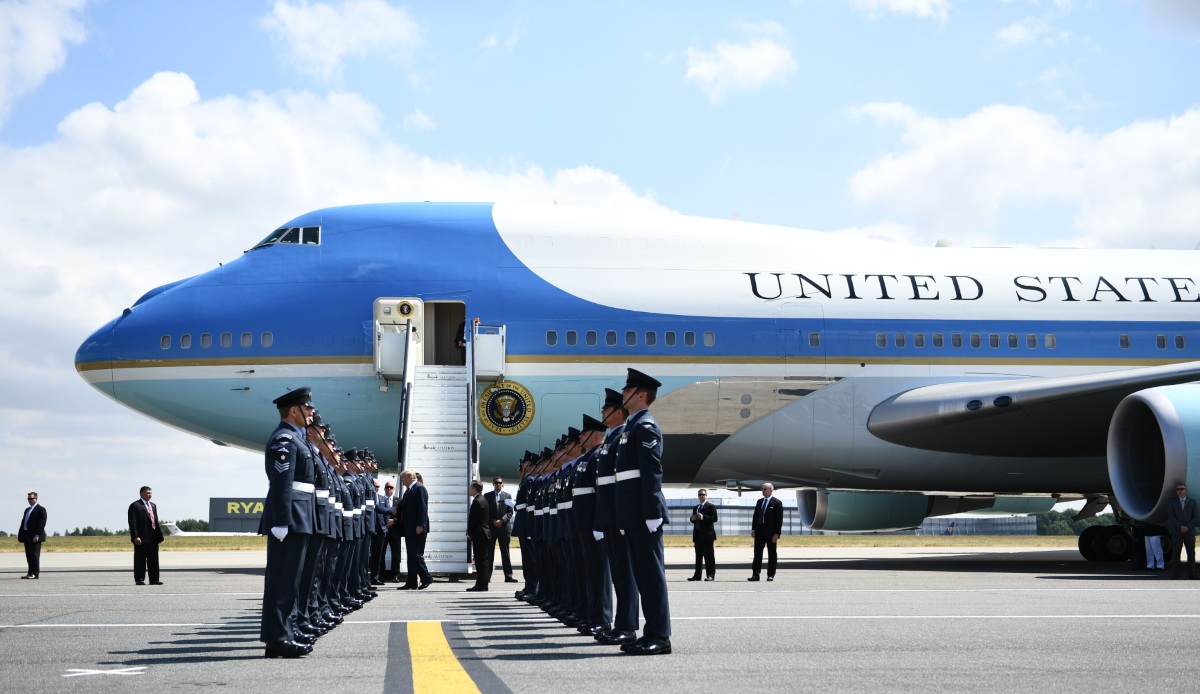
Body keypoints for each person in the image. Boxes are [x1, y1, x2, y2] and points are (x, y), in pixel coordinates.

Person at [613, 368, 672, 656]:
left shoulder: (645, 426)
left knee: (651, 576)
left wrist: (651, 511)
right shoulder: (631, 427)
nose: (623, 393)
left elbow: (652, 472)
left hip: (643, 513)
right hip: (633, 514)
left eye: (628, 390)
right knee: (642, 575)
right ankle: (650, 632)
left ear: (641, 395)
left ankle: (660, 636)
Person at [259, 386, 318, 659]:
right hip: (289, 519)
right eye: (307, 408)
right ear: (293, 410)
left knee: (291, 583)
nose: (311, 412)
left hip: (300, 517)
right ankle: (277, 638)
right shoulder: (284, 438)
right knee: (282, 583)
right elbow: (282, 482)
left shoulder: (297, 438)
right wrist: (281, 521)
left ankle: (285, 634)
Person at [396, 470, 432, 589]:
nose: (402, 481)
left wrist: (420, 525)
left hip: (417, 528)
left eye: (403, 479)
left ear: (410, 477)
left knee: (416, 555)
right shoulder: (410, 490)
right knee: (411, 555)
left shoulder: (419, 488)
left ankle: (426, 577)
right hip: (410, 529)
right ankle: (411, 581)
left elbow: (422, 507)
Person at [128, 486, 165, 585]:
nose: (150, 495)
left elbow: (155, 521)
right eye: (148, 493)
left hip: (153, 537)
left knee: (154, 559)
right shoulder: (135, 506)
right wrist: (135, 536)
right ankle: (139, 579)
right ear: (141, 493)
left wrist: (159, 536)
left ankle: (154, 579)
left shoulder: (153, 505)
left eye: (151, 493)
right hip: (141, 538)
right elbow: (132, 523)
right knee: (140, 559)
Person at [749, 482, 784, 582]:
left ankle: (770, 575)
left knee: (772, 554)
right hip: (759, 532)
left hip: (771, 533)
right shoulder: (759, 502)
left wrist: (777, 533)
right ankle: (755, 574)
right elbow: (755, 517)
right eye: (762, 489)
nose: (762, 491)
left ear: (770, 490)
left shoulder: (777, 503)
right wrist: (753, 529)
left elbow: (779, 520)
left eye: (764, 489)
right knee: (757, 554)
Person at [485, 477, 516, 582]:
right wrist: (493, 521)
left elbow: (510, 512)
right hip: (492, 528)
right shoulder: (487, 496)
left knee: (505, 552)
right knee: (490, 553)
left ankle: (508, 576)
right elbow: (485, 512)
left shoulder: (508, 496)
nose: (498, 484)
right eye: (496, 483)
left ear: (502, 484)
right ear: (493, 484)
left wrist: (502, 520)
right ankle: (487, 576)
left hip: (503, 528)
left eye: (500, 483)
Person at [1167, 482, 1200, 579]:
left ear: (1186, 491)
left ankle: (1192, 573)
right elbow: (1171, 516)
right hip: (1177, 531)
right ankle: (1175, 574)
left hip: (1189, 531)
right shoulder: (1172, 502)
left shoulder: (1192, 501)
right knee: (1176, 553)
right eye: (1177, 489)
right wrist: (1180, 526)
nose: (1179, 491)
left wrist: (1188, 527)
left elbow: (1196, 516)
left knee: (1191, 553)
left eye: (1181, 489)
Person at [466, 481, 492, 591]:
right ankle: (483, 584)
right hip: (484, 534)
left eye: (470, 488)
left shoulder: (477, 501)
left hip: (479, 534)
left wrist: (469, 532)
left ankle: (481, 584)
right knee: (483, 560)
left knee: (480, 561)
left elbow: (473, 520)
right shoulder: (483, 499)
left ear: (474, 489)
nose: (469, 490)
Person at [688, 489, 718, 581]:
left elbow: (715, 518)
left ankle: (711, 575)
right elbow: (694, 520)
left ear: (706, 495)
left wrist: (703, 517)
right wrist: (692, 518)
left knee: (709, 556)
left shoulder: (710, 506)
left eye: (703, 494)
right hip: (698, 535)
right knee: (698, 556)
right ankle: (697, 575)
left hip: (708, 536)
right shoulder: (696, 507)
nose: (701, 496)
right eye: (699, 495)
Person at [18, 492, 46, 579]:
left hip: (35, 536)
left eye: (31, 498)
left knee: (34, 555)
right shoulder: (27, 510)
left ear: (36, 499)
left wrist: (37, 534)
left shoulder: (41, 509)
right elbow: (24, 522)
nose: (29, 500)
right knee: (29, 555)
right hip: (27, 535)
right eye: (28, 499)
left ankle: (35, 573)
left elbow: (41, 524)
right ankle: (30, 573)